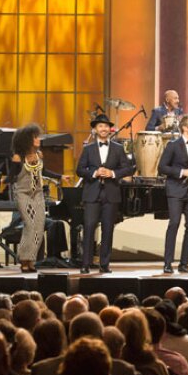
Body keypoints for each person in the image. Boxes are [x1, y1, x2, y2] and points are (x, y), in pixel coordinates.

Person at [76, 114, 135, 274]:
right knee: (89, 227)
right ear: (95, 130)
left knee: (108, 229)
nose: (103, 129)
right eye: (100, 126)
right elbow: (80, 170)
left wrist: (113, 173)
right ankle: (85, 264)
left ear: (110, 129)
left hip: (111, 193)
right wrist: (95, 173)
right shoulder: (88, 149)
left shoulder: (118, 148)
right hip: (92, 194)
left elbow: (129, 168)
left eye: (106, 126)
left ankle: (104, 264)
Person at [158, 114, 188, 274]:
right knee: (174, 224)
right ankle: (167, 263)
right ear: (185, 128)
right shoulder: (173, 145)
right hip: (176, 191)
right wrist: (182, 172)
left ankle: (184, 263)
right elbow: (162, 167)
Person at [10, 124, 50, 273]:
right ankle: (23, 259)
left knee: (39, 227)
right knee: (29, 226)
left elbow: (45, 172)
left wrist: (61, 176)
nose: (38, 139)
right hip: (23, 193)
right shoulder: (18, 157)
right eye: (35, 137)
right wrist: (3, 180)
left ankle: (31, 260)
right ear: (27, 139)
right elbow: (12, 176)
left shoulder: (39, 154)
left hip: (38, 194)